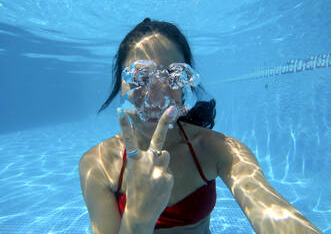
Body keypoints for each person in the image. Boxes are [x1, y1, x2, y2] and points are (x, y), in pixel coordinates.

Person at [79, 18, 322, 234]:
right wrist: (139, 216)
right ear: (121, 84)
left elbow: (273, 211)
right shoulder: (98, 164)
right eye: (141, 77)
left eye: (172, 76)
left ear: (186, 84)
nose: (155, 94)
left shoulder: (217, 149)